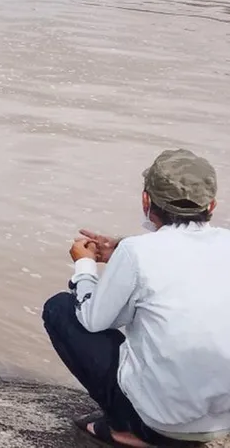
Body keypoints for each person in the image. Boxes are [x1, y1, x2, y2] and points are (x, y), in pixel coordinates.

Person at [43, 149, 230, 448]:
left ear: (146, 201)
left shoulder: (138, 253)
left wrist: (84, 264)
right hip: (222, 421)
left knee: (61, 309)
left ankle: (126, 429)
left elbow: (94, 320)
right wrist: (120, 251)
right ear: (212, 205)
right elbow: (184, 265)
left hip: (163, 423)